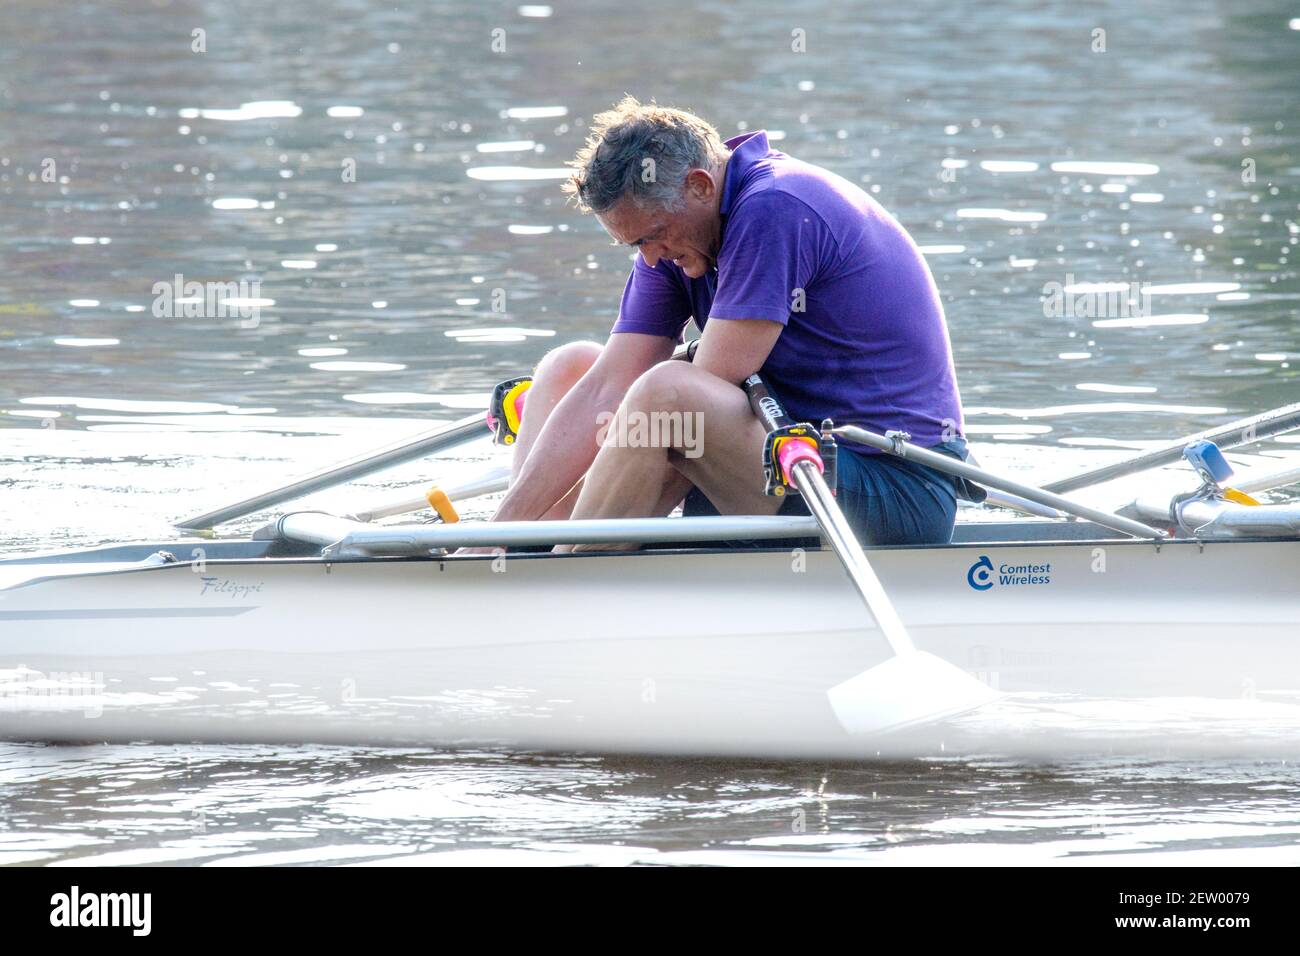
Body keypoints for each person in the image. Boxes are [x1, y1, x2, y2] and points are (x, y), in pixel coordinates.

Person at [472, 96, 978, 554]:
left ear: (699, 185)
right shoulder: (671, 243)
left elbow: (688, 402)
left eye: (654, 236)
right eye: (634, 246)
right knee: (569, 368)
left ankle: (558, 577)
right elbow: (608, 384)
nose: (650, 259)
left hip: (891, 489)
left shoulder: (775, 207)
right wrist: (497, 527)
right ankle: (514, 549)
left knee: (669, 395)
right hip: (779, 467)